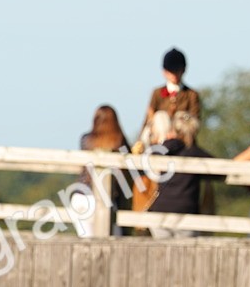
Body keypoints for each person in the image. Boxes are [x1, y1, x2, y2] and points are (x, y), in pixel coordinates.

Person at [148, 111, 216, 238]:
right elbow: (217, 170)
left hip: (160, 210)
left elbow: (149, 159)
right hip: (186, 213)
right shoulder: (196, 152)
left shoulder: (163, 149)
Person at [74, 105, 129, 237]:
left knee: (86, 244)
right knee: (112, 244)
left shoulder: (85, 139)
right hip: (104, 197)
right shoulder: (120, 143)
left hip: (80, 196)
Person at [133, 48, 201, 154]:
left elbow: (195, 123)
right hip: (158, 140)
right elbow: (148, 119)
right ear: (164, 72)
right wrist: (139, 141)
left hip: (182, 141)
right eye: (171, 71)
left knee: (182, 117)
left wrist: (178, 134)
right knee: (160, 117)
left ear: (183, 71)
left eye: (177, 71)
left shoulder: (191, 94)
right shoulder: (157, 93)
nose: (174, 75)